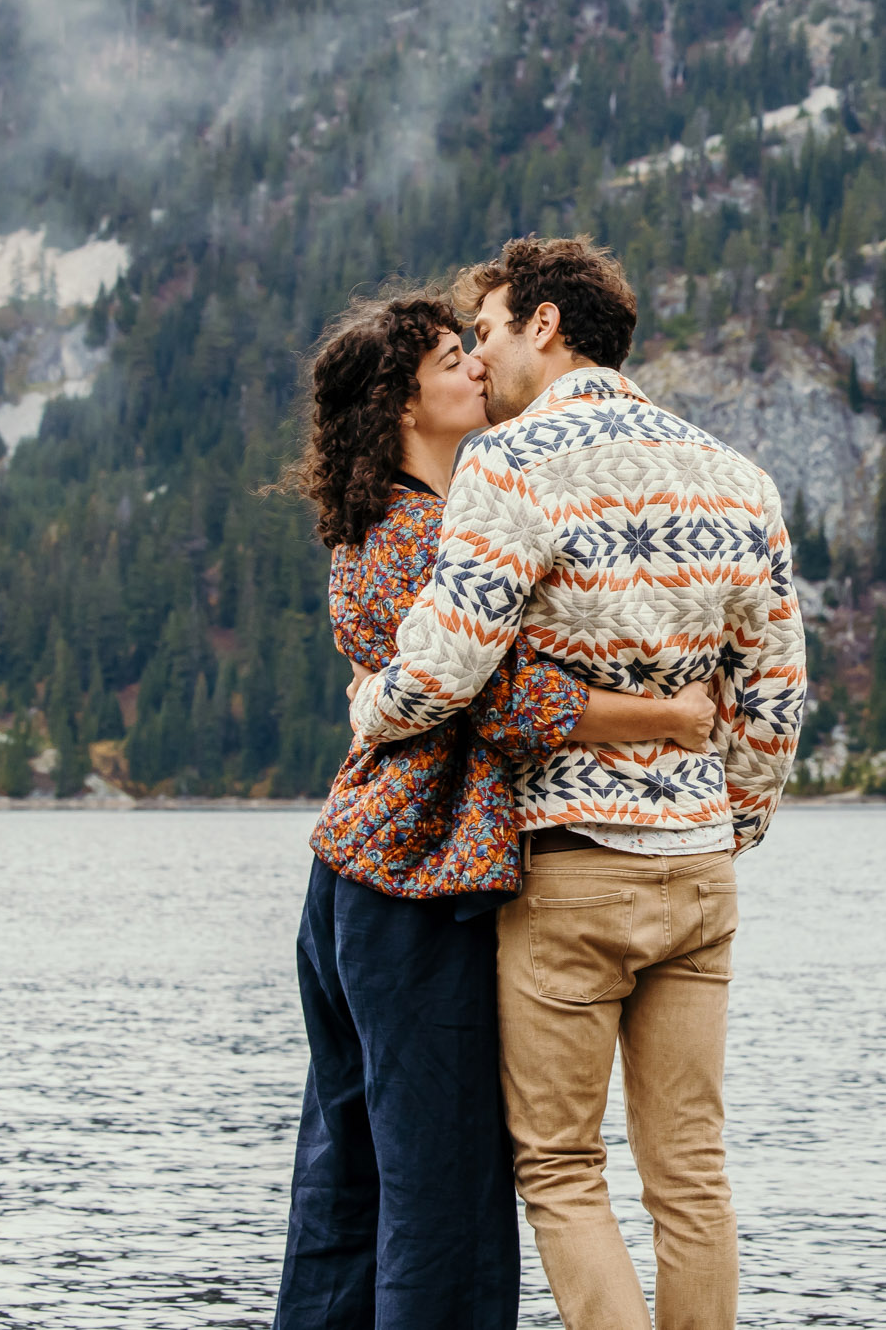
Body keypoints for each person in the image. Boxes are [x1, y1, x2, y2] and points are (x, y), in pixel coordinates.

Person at [348, 238, 807, 1330]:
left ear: (545, 324)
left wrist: (371, 701)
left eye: (493, 329)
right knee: (690, 1169)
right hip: (697, 868)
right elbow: (776, 698)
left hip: (569, 869)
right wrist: (721, 816)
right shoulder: (739, 477)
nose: (485, 355)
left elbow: (448, 663)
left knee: (558, 1165)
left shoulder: (509, 464)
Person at [274, 290, 718, 1330]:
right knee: (445, 1192)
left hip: (353, 884)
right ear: (400, 406)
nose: (477, 365)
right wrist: (670, 708)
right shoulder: (423, 532)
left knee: (349, 1182)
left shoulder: (379, 525)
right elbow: (510, 696)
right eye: (447, 359)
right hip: (417, 888)